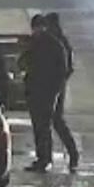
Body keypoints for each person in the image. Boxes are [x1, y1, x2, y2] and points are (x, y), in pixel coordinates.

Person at [19, 14, 78, 173]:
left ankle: (54, 157)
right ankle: (45, 158)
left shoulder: (55, 44)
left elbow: (65, 68)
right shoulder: (37, 43)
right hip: (37, 90)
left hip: (50, 90)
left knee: (48, 124)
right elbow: (24, 61)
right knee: (42, 125)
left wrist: (56, 89)